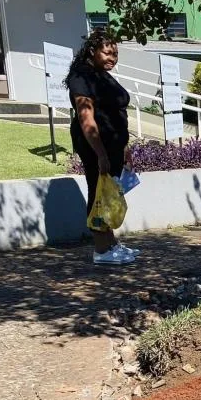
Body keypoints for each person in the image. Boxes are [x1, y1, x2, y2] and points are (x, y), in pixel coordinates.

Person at [65, 29, 138, 266]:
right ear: (92, 51)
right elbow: (86, 118)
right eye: (107, 53)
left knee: (109, 193)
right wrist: (101, 154)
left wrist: (124, 147)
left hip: (113, 144)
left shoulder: (102, 76)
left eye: (115, 54)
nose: (112, 58)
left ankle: (111, 243)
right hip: (97, 146)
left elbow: (115, 114)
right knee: (98, 194)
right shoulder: (81, 77)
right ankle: (101, 249)